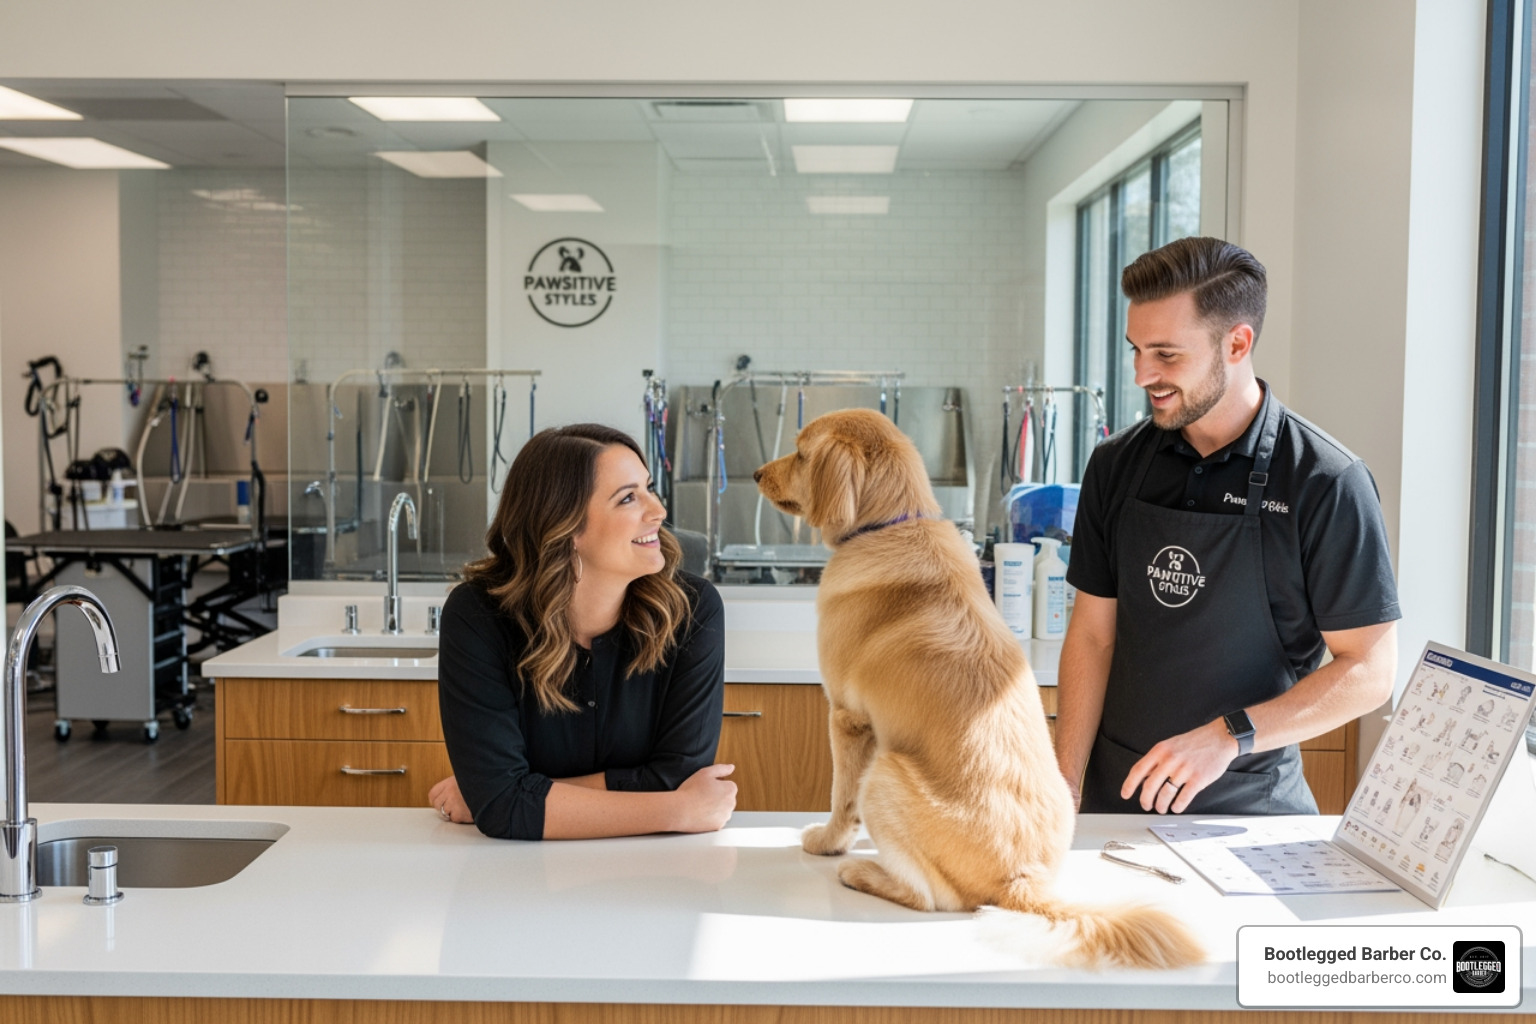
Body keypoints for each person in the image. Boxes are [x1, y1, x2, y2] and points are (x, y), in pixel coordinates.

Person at [1055, 237, 1400, 816]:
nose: (1143, 373)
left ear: (1237, 343)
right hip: (1113, 806)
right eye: (1136, 350)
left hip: (1252, 813)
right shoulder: (1116, 465)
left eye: (1166, 355)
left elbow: (1369, 669)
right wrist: (1063, 782)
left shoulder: (1324, 480)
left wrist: (1228, 734)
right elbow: (1093, 634)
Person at [428, 423, 736, 839]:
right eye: (629, 497)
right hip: (510, 882)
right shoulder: (478, 615)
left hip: (655, 873)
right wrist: (679, 811)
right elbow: (502, 806)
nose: (658, 510)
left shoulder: (693, 609)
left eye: (649, 488)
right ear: (566, 525)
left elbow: (675, 775)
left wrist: (503, 794)